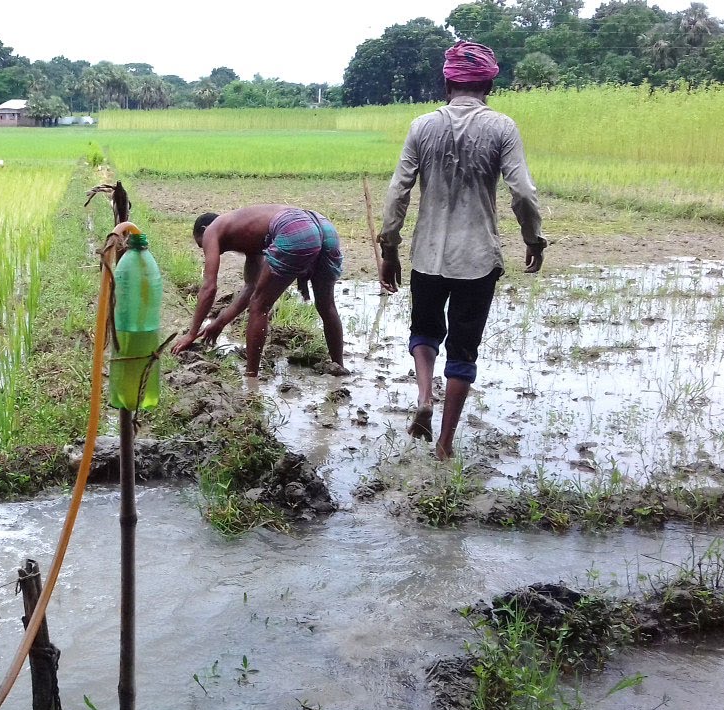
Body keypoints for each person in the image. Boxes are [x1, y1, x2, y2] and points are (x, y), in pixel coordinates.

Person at [378, 40, 546, 460]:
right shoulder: (502, 127)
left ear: (448, 81)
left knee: (424, 331)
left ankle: (423, 397)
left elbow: (398, 191)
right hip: (476, 258)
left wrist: (390, 246)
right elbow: (523, 192)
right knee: (463, 348)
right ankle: (445, 445)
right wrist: (532, 238)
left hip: (427, 254)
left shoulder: (422, 126)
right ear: (488, 82)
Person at [170, 204, 344, 377]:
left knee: (259, 305)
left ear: (203, 229)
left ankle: (251, 377)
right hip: (323, 226)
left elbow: (209, 287)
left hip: (296, 228)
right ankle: (338, 367)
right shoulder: (248, 233)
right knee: (327, 305)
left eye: (201, 245)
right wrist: (220, 322)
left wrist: (191, 334)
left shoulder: (211, 230)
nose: (206, 250)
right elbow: (250, 287)